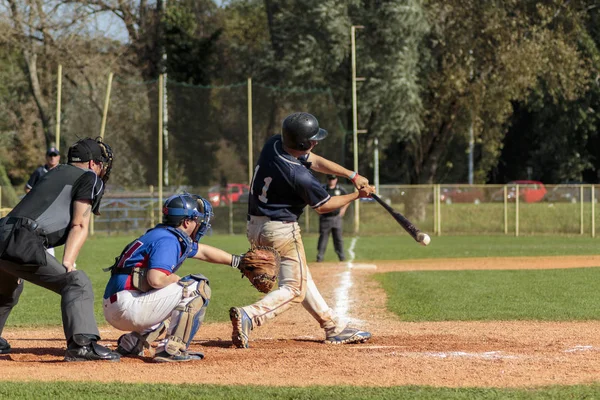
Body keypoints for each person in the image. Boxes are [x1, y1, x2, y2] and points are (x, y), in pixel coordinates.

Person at [229, 111, 376, 349]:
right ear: (303, 142)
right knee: (294, 289)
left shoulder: (274, 144)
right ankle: (251, 315)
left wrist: (352, 175)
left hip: (255, 226)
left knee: (301, 276)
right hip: (280, 231)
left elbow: (314, 159)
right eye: (312, 139)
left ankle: (332, 326)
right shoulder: (299, 176)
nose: (316, 141)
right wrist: (357, 195)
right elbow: (324, 206)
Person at [0, 137, 120, 362]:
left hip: (3, 230)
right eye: (102, 163)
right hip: (22, 238)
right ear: (93, 163)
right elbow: (79, 224)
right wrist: (69, 261)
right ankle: (82, 345)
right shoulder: (90, 177)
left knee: (7, 291)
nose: (103, 168)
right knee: (76, 282)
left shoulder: (53, 172)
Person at [103, 193, 243, 363]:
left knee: (174, 306)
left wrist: (238, 262)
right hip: (127, 307)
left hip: (118, 304)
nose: (199, 224)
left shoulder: (163, 234)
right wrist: (175, 279)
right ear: (186, 222)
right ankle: (172, 349)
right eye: (196, 220)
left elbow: (204, 252)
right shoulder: (169, 240)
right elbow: (156, 279)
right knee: (196, 287)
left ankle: (132, 343)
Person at [24, 146, 62, 258]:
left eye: (55, 155)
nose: (52, 158)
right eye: (50, 155)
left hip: (58, 208)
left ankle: (69, 262)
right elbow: (27, 188)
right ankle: (46, 259)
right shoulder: (40, 172)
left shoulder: (63, 171)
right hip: (41, 210)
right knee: (43, 233)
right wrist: (36, 199)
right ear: (46, 157)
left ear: (59, 157)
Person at [316, 175, 349, 262]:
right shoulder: (323, 189)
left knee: (338, 238)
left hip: (336, 218)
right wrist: (318, 210)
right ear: (327, 179)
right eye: (330, 179)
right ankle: (320, 257)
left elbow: (347, 199)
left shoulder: (340, 189)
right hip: (325, 218)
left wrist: (343, 209)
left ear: (336, 179)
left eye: (333, 179)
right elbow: (314, 199)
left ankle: (341, 257)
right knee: (323, 238)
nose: (332, 181)